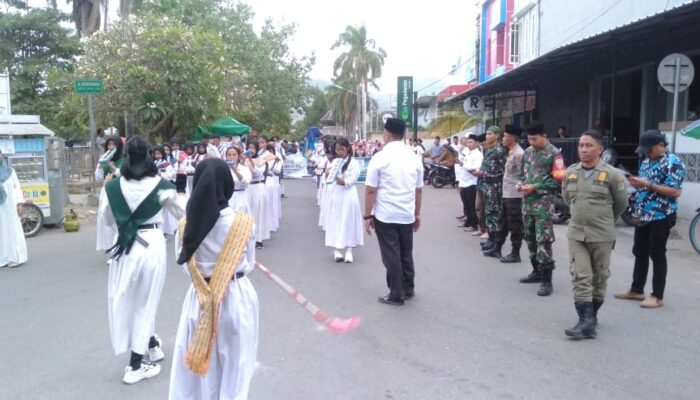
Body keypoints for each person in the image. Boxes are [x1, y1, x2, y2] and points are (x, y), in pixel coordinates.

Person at [96, 136, 186, 384]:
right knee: (146, 301)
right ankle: (136, 365)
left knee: (129, 299)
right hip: (152, 244)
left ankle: (152, 344)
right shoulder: (162, 185)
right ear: (149, 156)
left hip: (125, 246)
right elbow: (182, 214)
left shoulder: (113, 186)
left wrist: (127, 224)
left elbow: (106, 219)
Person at [170, 158, 259, 400]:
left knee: (200, 373)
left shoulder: (185, 226)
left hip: (199, 300)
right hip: (236, 298)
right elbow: (248, 264)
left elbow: (184, 267)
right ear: (227, 185)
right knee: (236, 368)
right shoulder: (244, 223)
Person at [562, 131, 628, 339]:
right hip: (577, 233)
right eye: (581, 145)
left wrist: (604, 220)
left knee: (599, 277)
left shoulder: (613, 175)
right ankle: (585, 320)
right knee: (581, 275)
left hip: (602, 235)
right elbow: (567, 199)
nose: (583, 149)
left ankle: (592, 317)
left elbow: (621, 204)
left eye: (589, 145)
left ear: (599, 149)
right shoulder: (571, 172)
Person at [615, 130, 685, 309]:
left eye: (649, 149)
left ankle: (657, 295)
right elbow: (643, 187)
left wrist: (648, 184)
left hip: (662, 215)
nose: (646, 153)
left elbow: (675, 191)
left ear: (661, 146)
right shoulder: (646, 162)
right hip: (643, 214)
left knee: (657, 253)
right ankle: (637, 290)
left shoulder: (673, 163)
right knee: (639, 251)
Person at [364, 118, 424, 306]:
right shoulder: (414, 157)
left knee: (391, 255)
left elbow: (371, 190)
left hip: (386, 214)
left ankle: (397, 294)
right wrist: (417, 214)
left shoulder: (380, 157)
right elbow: (418, 190)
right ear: (404, 134)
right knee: (406, 252)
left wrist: (367, 215)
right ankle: (408, 287)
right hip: (406, 213)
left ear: (387, 134)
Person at [516, 121, 561, 296]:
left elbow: (559, 179)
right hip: (527, 203)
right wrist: (521, 183)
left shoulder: (555, 154)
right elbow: (523, 173)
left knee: (544, 240)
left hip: (543, 204)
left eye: (535, 139)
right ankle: (535, 271)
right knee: (530, 238)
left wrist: (535, 187)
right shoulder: (528, 152)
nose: (532, 142)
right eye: (529, 139)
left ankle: (546, 280)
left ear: (544, 136)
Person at [324, 137, 363, 263]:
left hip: (349, 196)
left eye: (341, 149)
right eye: (337, 150)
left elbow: (349, 182)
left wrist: (337, 178)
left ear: (347, 148)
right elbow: (328, 180)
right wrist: (327, 174)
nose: (339, 152)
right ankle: (336, 250)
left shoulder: (354, 163)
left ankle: (349, 251)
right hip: (336, 195)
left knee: (348, 221)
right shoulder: (335, 162)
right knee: (335, 220)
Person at [475, 126, 507, 257]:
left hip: (496, 187)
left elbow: (504, 171)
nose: (487, 136)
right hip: (487, 186)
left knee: (495, 215)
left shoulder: (499, 151)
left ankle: (496, 243)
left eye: (490, 134)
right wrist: (482, 172)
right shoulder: (488, 150)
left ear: (497, 136)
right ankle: (490, 239)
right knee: (488, 213)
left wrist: (485, 173)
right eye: (487, 134)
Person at [497, 125, 525, 263]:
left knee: (515, 224)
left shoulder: (519, 153)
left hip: (515, 195)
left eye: (505, 136)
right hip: (507, 193)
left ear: (511, 138)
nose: (503, 138)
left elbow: (522, 175)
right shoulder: (511, 152)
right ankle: (497, 248)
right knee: (503, 222)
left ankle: (515, 253)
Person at [0, 149, 28, 268]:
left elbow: (17, 188)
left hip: (10, 207)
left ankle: (16, 257)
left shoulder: (10, 172)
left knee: (12, 230)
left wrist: (19, 204)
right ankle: (3, 259)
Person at [245, 141, 270, 249]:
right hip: (248, 188)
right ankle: (246, 237)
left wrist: (250, 160)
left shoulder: (262, 160)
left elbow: (258, 173)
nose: (251, 149)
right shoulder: (243, 160)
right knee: (247, 213)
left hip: (258, 187)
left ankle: (258, 239)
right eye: (249, 147)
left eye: (253, 148)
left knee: (258, 213)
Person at [455, 134, 483, 232]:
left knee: (472, 205)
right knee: (466, 204)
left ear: (477, 143)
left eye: (471, 142)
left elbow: (475, 169)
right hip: (465, 182)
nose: (468, 144)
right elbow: (465, 168)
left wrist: (465, 166)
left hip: (472, 183)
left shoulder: (478, 155)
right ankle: (468, 221)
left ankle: (474, 224)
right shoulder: (469, 153)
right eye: (467, 142)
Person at [153, 146, 178, 236]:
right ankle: (160, 229)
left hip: (164, 188)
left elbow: (171, 176)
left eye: (159, 153)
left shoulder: (167, 164)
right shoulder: (153, 164)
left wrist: (160, 175)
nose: (157, 155)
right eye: (155, 154)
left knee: (167, 211)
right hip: (155, 189)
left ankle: (167, 230)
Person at [225, 146, 252, 214]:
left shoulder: (244, 169)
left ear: (238, 157)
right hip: (228, 198)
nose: (231, 157)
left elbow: (246, 183)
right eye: (229, 155)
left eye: (234, 155)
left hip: (241, 197)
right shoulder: (223, 169)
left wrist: (235, 170)